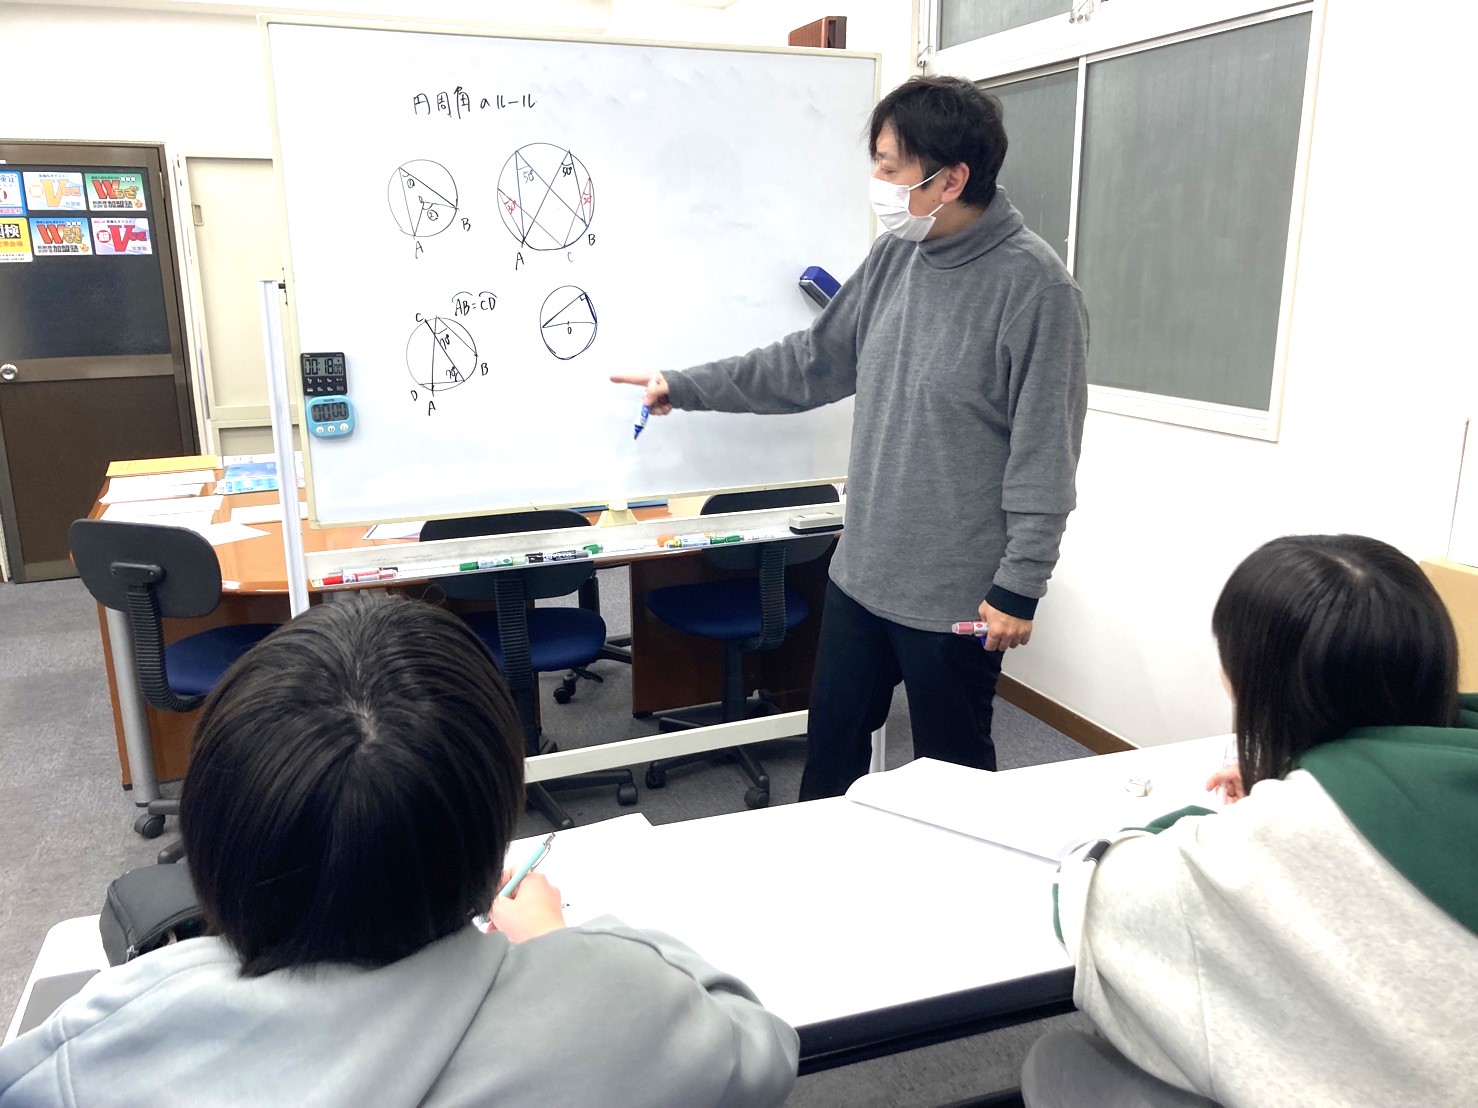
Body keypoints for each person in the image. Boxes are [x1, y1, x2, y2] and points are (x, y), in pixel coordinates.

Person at [0, 594, 799, 1106]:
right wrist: (566, 944)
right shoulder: (613, 1008)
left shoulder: (114, 1035)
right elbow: (761, 1047)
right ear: (493, 820)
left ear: (215, 832)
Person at [614, 76, 1088, 800]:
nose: (879, 184)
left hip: (955, 597)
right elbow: (810, 364)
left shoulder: (1037, 290)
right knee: (830, 758)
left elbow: (1045, 455)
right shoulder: (898, 255)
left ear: (951, 179)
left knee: (955, 779)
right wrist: (685, 384)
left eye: (891, 167)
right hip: (861, 575)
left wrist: (1020, 585)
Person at [1029, 535, 1478, 1107]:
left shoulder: (1291, 829)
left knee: (1060, 1060)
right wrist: (1295, 772)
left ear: (1254, 679)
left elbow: (1093, 890)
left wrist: (1275, 799)